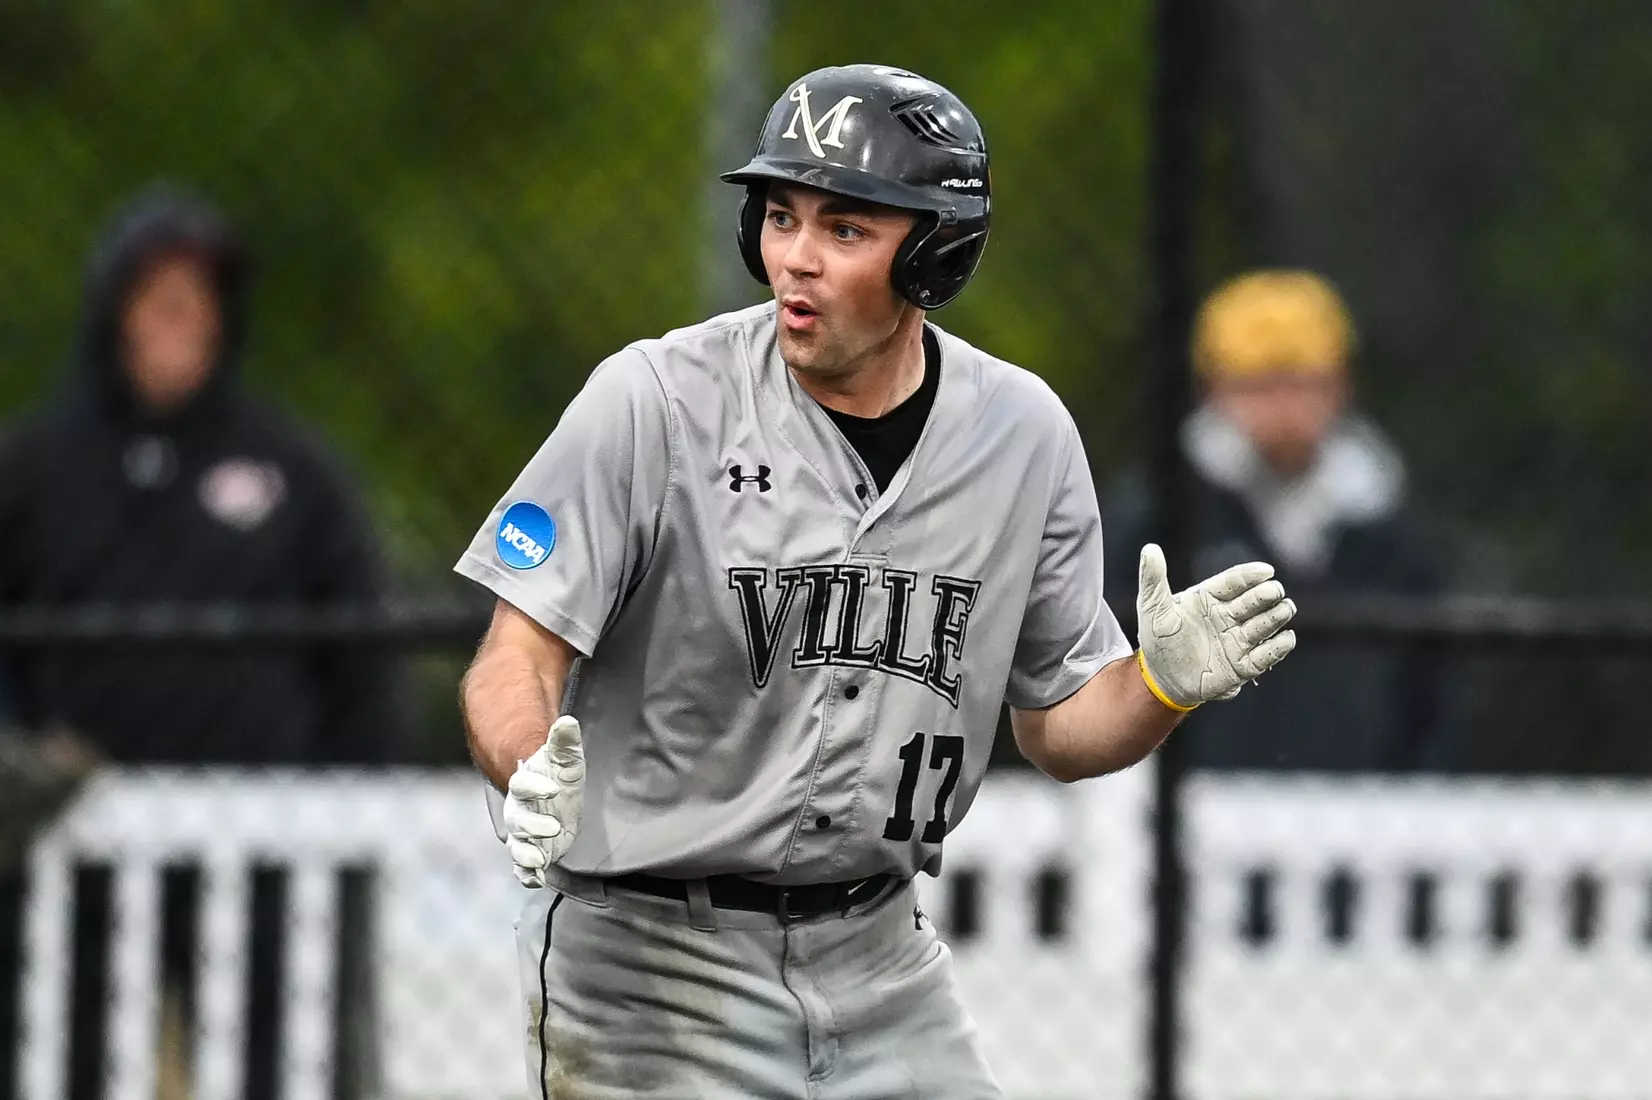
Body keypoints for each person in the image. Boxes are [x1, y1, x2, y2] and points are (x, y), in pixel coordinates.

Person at [456, 64, 1298, 1100]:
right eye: (779, 216)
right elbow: (517, 652)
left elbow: (1059, 725)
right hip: (649, 965)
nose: (796, 257)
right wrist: (525, 762)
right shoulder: (654, 402)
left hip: (881, 958)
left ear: (935, 256)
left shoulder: (1021, 434)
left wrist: (1157, 685)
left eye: (845, 228)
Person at [0, 183, 403, 1100]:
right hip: (70, 840)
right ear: (115, 313)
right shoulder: (34, 470)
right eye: (157, 300)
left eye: (196, 301)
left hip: (261, 845)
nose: (178, 322)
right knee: (62, 1061)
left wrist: (345, 813)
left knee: (282, 1067)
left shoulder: (293, 472)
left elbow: (363, 660)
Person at [1103, 269, 1448, 772]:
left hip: (1367, 802)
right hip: (1197, 793)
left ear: (1343, 386)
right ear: (1213, 389)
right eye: (1258, 385)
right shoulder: (1159, 514)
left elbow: (1429, 693)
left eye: (1303, 383)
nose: (1283, 407)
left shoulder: (1387, 523)